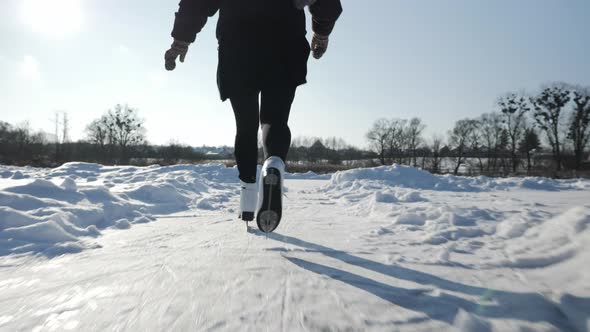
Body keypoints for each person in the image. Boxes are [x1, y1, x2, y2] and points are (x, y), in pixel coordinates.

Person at [165, 0, 342, 232]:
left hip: (237, 43)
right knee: (275, 120)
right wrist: (321, 33)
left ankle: (247, 198)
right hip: (285, 40)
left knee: (246, 125)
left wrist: (181, 39)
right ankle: (273, 164)